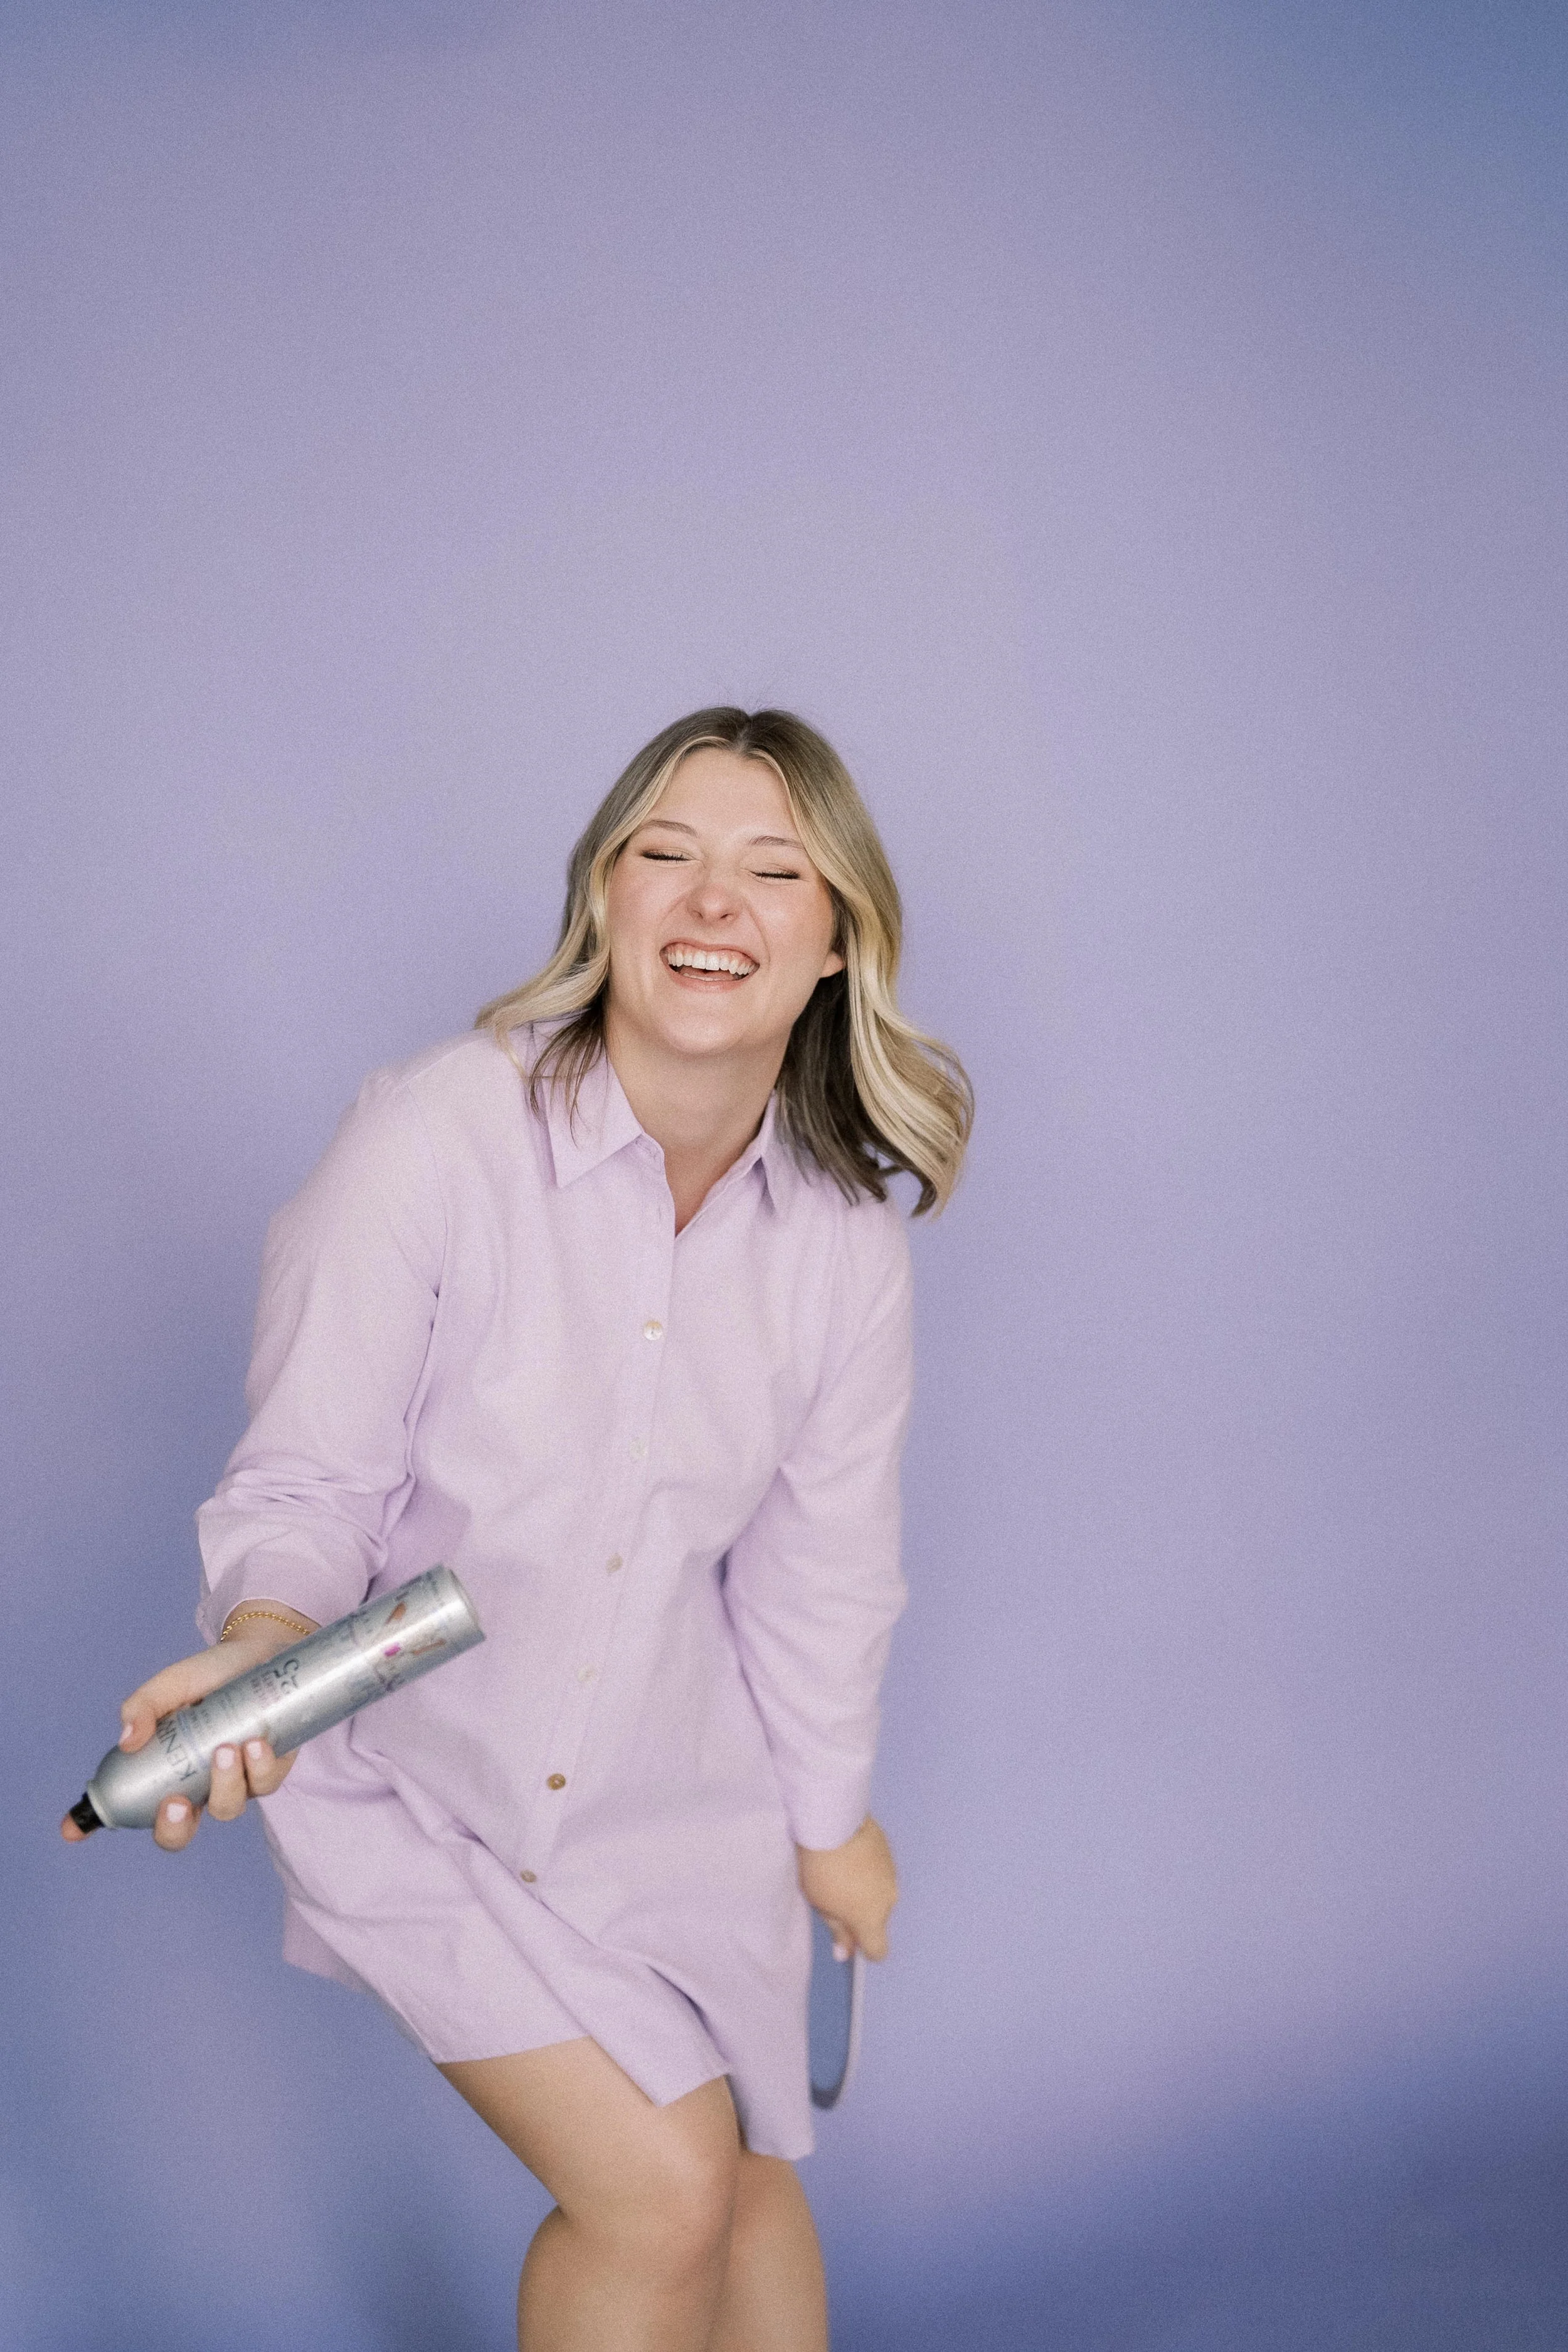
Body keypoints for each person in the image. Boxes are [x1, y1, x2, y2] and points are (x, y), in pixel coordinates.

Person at [65, 706, 972, 2352]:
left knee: (757, 2174)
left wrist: (829, 1821)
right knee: (660, 2186)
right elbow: (308, 1482)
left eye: (774, 871)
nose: (715, 904)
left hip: (673, 1784)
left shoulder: (838, 1246)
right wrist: (267, 1638)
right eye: (665, 855)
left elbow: (813, 1579)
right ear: (602, 898)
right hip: (411, 1769)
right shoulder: (432, 1133)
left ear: (836, 941)